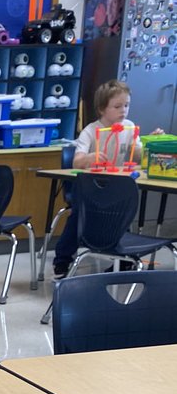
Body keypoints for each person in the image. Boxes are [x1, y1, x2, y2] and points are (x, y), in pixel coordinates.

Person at [52, 80, 143, 276]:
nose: (123, 111)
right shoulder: (91, 131)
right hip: (90, 188)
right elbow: (77, 162)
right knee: (78, 216)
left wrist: (147, 143)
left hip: (117, 188)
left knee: (124, 213)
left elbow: (138, 157)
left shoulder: (128, 128)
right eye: (117, 106)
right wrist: (89, 158)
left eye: (126, 105)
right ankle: (62, 259)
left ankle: (124, 259)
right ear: (102, 109)